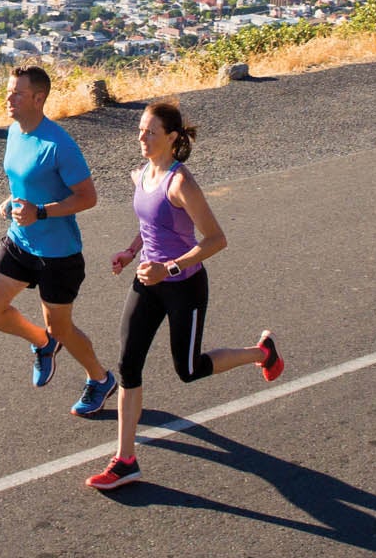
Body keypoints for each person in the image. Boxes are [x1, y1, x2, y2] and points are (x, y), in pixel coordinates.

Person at [87, 98, 283, 491]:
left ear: (172, 138)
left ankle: (263, 352)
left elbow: (216, 240)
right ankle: (126, 460)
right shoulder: (140, 174)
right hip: (148, 282)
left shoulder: (181, 183)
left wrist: (169, 268)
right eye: (141, 129)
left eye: (151, 131)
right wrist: (131, 253)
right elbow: (150, 227)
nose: (142, 136)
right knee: (128, 364)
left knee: (189, 369)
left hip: (183, 286)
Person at [0, 64, 118, 416]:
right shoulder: (14, 132)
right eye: (9, 91)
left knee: (63, 327)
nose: (9, 98)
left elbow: (88, 198)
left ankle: (100, 379)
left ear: (39, 98)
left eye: (18, 93)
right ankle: (42, 342)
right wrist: (13, 201)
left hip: (58, 255)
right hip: (20, 241)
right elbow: (23, 181)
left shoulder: (59, 145)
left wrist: (40, 212)